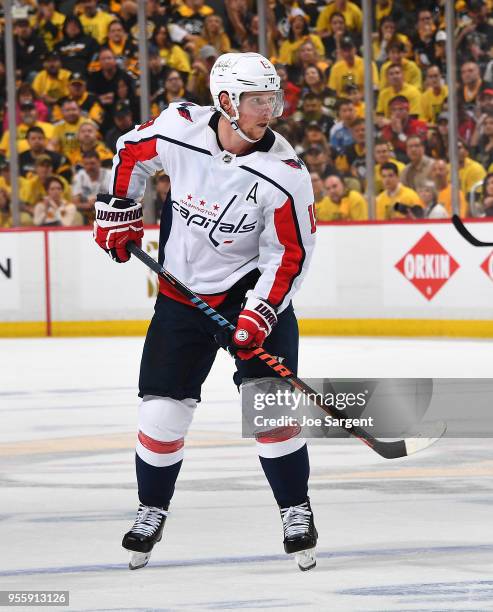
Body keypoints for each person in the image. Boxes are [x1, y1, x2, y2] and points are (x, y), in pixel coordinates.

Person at [93, 52, 318, 572]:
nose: (269, 108)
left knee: (273, 414)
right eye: (256, 100)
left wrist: (260, 313)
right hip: (180, 296)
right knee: (160, 415)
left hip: (251, 297)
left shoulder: (285, 174)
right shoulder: (178, 130)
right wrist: (120, 210)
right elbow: (130, 152)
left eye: (272, 97)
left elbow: (289, 256)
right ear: (224, 102)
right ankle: (152, 509)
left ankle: (295, 509)